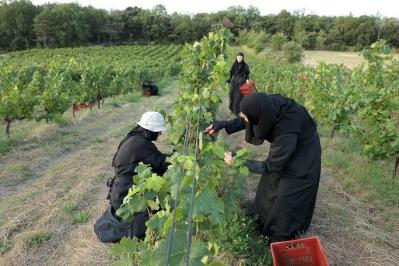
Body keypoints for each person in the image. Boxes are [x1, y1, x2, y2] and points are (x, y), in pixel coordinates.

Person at [205, 93, 321, 243]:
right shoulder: (267, 106)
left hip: (303, 155)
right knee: (270, 183)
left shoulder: (286, 130)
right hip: (290, 144)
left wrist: (237, 162)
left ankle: (280, 233)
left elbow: (271, 165)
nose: (246, 120)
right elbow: (249, 118)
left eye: (246, 117)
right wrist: (223, 124)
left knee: (286, 194)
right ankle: (261, 219)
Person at [94, 111, 169, 242]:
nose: (160, 133)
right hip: (125, 193)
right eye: (158, 131)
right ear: (150, 130)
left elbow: (154, 160)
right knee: (144, 225)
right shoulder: (142, 144)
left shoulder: (133, 138)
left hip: (119, 191)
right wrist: (178, 158)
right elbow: (161, 163)